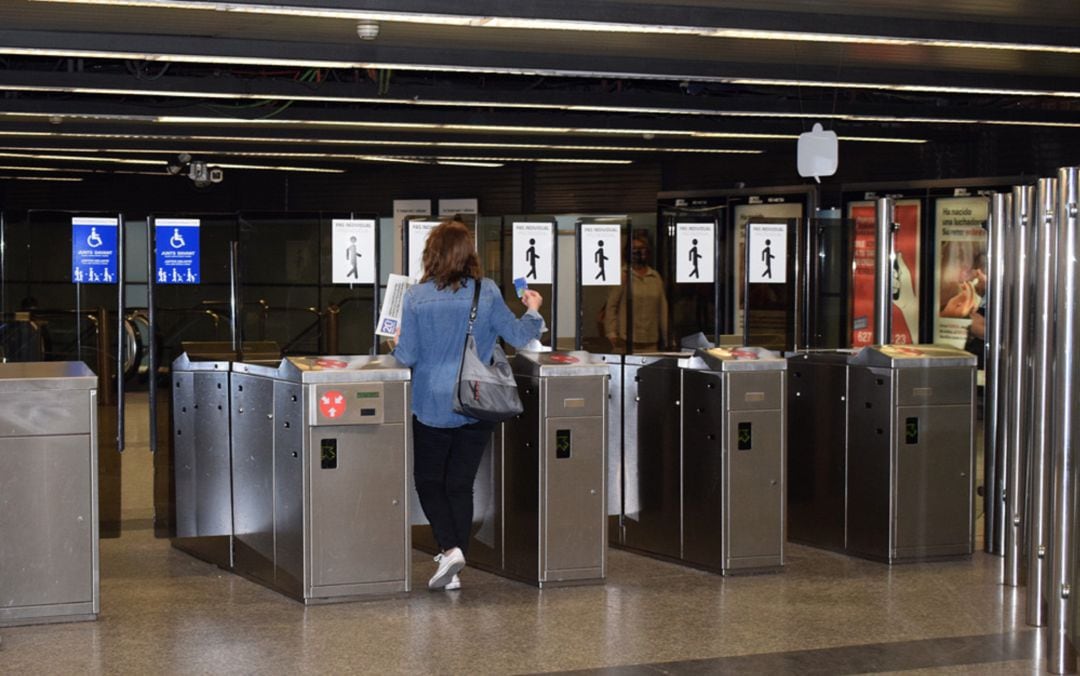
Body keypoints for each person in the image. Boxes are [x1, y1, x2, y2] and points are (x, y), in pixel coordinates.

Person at [392, 219, 544, 591]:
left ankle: (450, 548)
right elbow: (521, 336)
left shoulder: (415, 297)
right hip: (478, 399)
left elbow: (406, 355)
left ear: (432, 254)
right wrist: (534, 308)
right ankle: (454, 562)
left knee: (429, 481)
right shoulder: (487, 291)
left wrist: (393, 341)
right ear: (469, 254)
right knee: (460, 484)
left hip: (432, 402)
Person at [603, 235, 669, 352]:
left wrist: (667, 337)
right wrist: (612, 333)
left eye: (642, 248)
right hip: (625, 342)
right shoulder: (622, 275)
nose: (639, 252)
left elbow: (663, 309)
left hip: (651, 342)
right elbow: (611, 305)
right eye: (635, 249)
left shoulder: (655, 277)